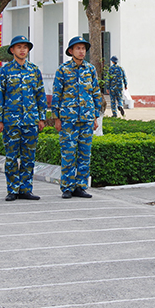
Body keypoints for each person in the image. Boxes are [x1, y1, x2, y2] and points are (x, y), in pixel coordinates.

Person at [0, 35, 47, 201]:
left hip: (30, 120)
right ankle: (12, 189)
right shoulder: (5, 71)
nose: (23, 50)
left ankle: (26, 189)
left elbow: (40, 95)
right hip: (11, 121)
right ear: (12, 50)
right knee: (11, 157)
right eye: (19, 47)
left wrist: (41, 117)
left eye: (25, 47)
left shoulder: (34, 70)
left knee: (28, 157)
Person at [52, 36, 102, 199]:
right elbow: (57, 94)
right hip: (68, 119)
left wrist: (95, 116)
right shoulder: (63, 70)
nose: (81, 51)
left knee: (84, 153)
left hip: (86, 118)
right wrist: (56, 118)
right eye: (78, 48)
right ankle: (67, 186)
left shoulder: (90, 69)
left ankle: (80, 186)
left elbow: (95, 93)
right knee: (68, 153)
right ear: (70, 51)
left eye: (83, 48)